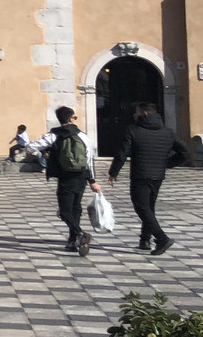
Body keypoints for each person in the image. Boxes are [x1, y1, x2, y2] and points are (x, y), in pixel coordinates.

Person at [108, 103, 190, 255]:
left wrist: (113, 172)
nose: (134, 115)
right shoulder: (168, 132)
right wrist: (167, 164)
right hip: (158, 175)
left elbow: (122, 153)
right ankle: (145, 240)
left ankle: (161, 238)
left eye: (136, 113)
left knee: (141, 207)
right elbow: (185, 152)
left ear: (144, 114)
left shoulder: (133, 131)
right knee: (149, 207)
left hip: (140, 174)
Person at [30, 106, 101, 255]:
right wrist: (92, 180)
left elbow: (31, 147)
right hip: (81, 176)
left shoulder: (54, 135)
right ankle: (72, 241)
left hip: (65, 177)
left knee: (64, 211)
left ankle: (80, 234)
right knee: (75, 208)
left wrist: (45, 152)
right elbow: (89, 160)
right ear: (70, 118)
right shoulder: (83, 136)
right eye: (74, 117)